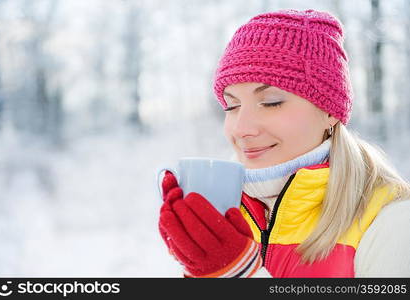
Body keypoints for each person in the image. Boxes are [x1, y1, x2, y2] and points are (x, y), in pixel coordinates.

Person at [158, 9, 410, 278]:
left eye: (271, 102)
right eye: (231, 106)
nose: (242, 128)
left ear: (330, 112)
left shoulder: (392, 221)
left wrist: (237, 273)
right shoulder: (224, 215)